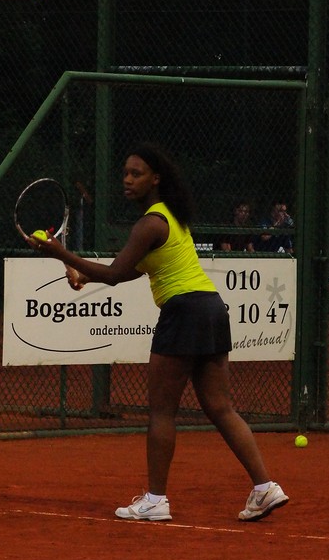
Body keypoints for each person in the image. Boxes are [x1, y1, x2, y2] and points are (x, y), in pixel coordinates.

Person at [26, 143, 288, 523]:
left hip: (183, 311)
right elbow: (136, 270)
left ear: (155, 179)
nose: (127, 180)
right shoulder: (170, 218)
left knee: (162, 411)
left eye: (136, 174)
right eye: (125, 173)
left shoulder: (149, 223)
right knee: (220, 407)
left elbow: (114, 275)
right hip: (211, 308)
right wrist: (81, 273)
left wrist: (60, 253)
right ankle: (265, 487)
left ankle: (155, 500)